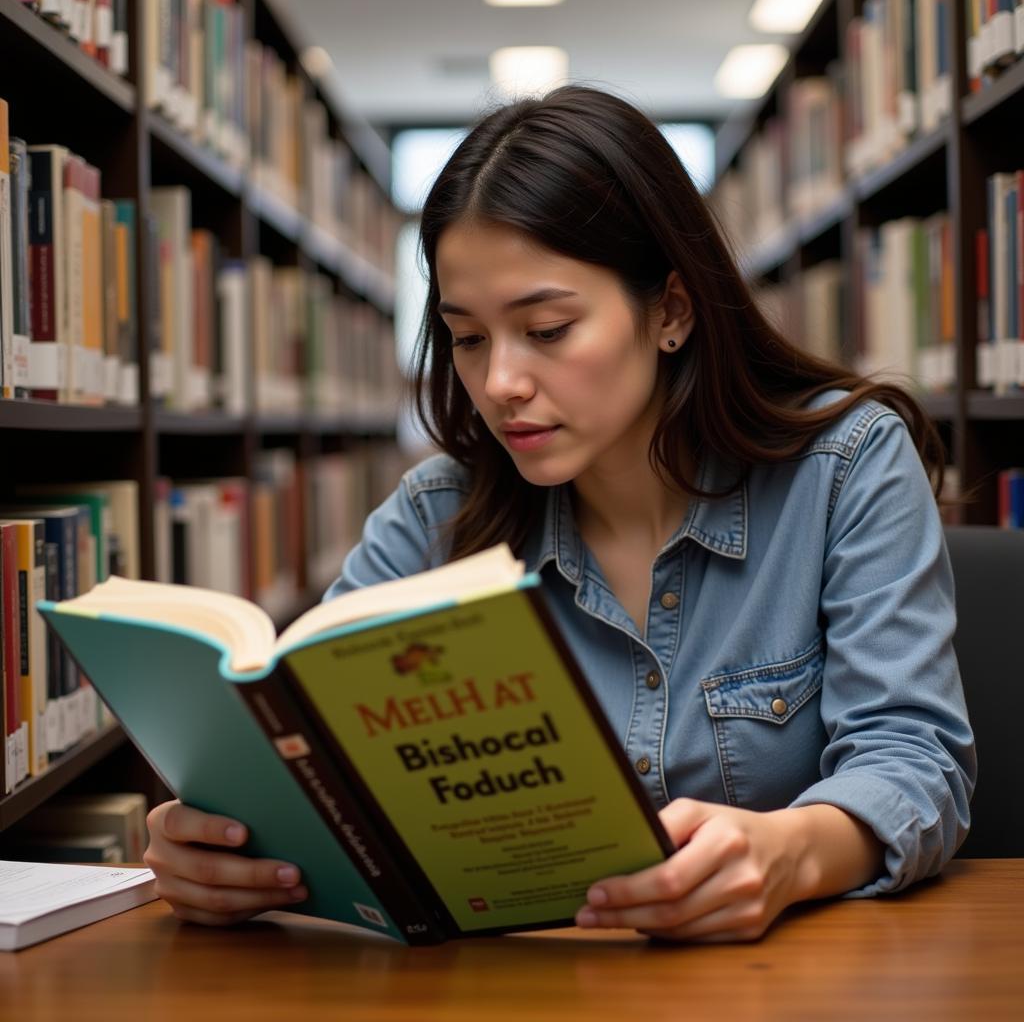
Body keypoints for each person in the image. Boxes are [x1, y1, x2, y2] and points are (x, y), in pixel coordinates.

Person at [144, 86, 976, 942]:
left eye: (546, 329)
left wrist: (791, 850)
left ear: (672, 312)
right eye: (467, 338)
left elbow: (914, 761)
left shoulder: (846, 469)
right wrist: (223, 842)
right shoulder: (435, 518)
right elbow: (310, 771)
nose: (501, 383)